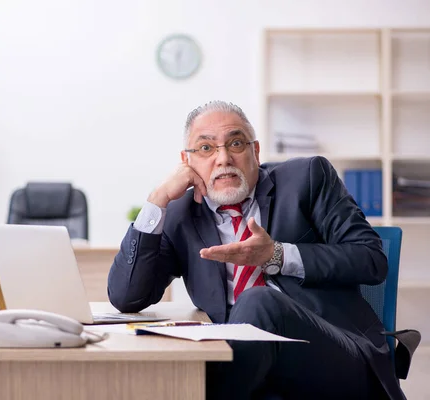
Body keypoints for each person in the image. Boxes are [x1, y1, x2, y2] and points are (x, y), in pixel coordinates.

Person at [107, 100, 405, 399]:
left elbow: (371, 259)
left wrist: (276, 255)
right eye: (207, 148)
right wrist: (157, 200)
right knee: (167, 375)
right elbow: (127, 296)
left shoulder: (308, 178)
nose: (223, 158)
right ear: (187, 161)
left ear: (255, 151)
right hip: (247, 363)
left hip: (335, 352)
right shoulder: (179, 214)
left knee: (257, 302)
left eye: (235, 143)